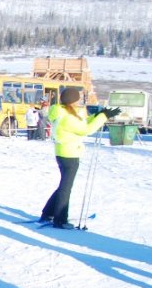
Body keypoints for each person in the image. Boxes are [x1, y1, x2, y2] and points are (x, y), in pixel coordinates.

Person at [39, 87, 118, 229]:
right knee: (65, 188)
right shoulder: (67, 117)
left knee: (63, 186)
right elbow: (85, 130)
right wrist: (103, 117)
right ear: (72, 100)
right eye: (77, 98)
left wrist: (98, 115)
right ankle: (60, 219)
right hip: (70, 154)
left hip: (64, 152)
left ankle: (48, 213)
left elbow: (82, 123)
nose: (79, 101)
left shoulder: (62, 112)